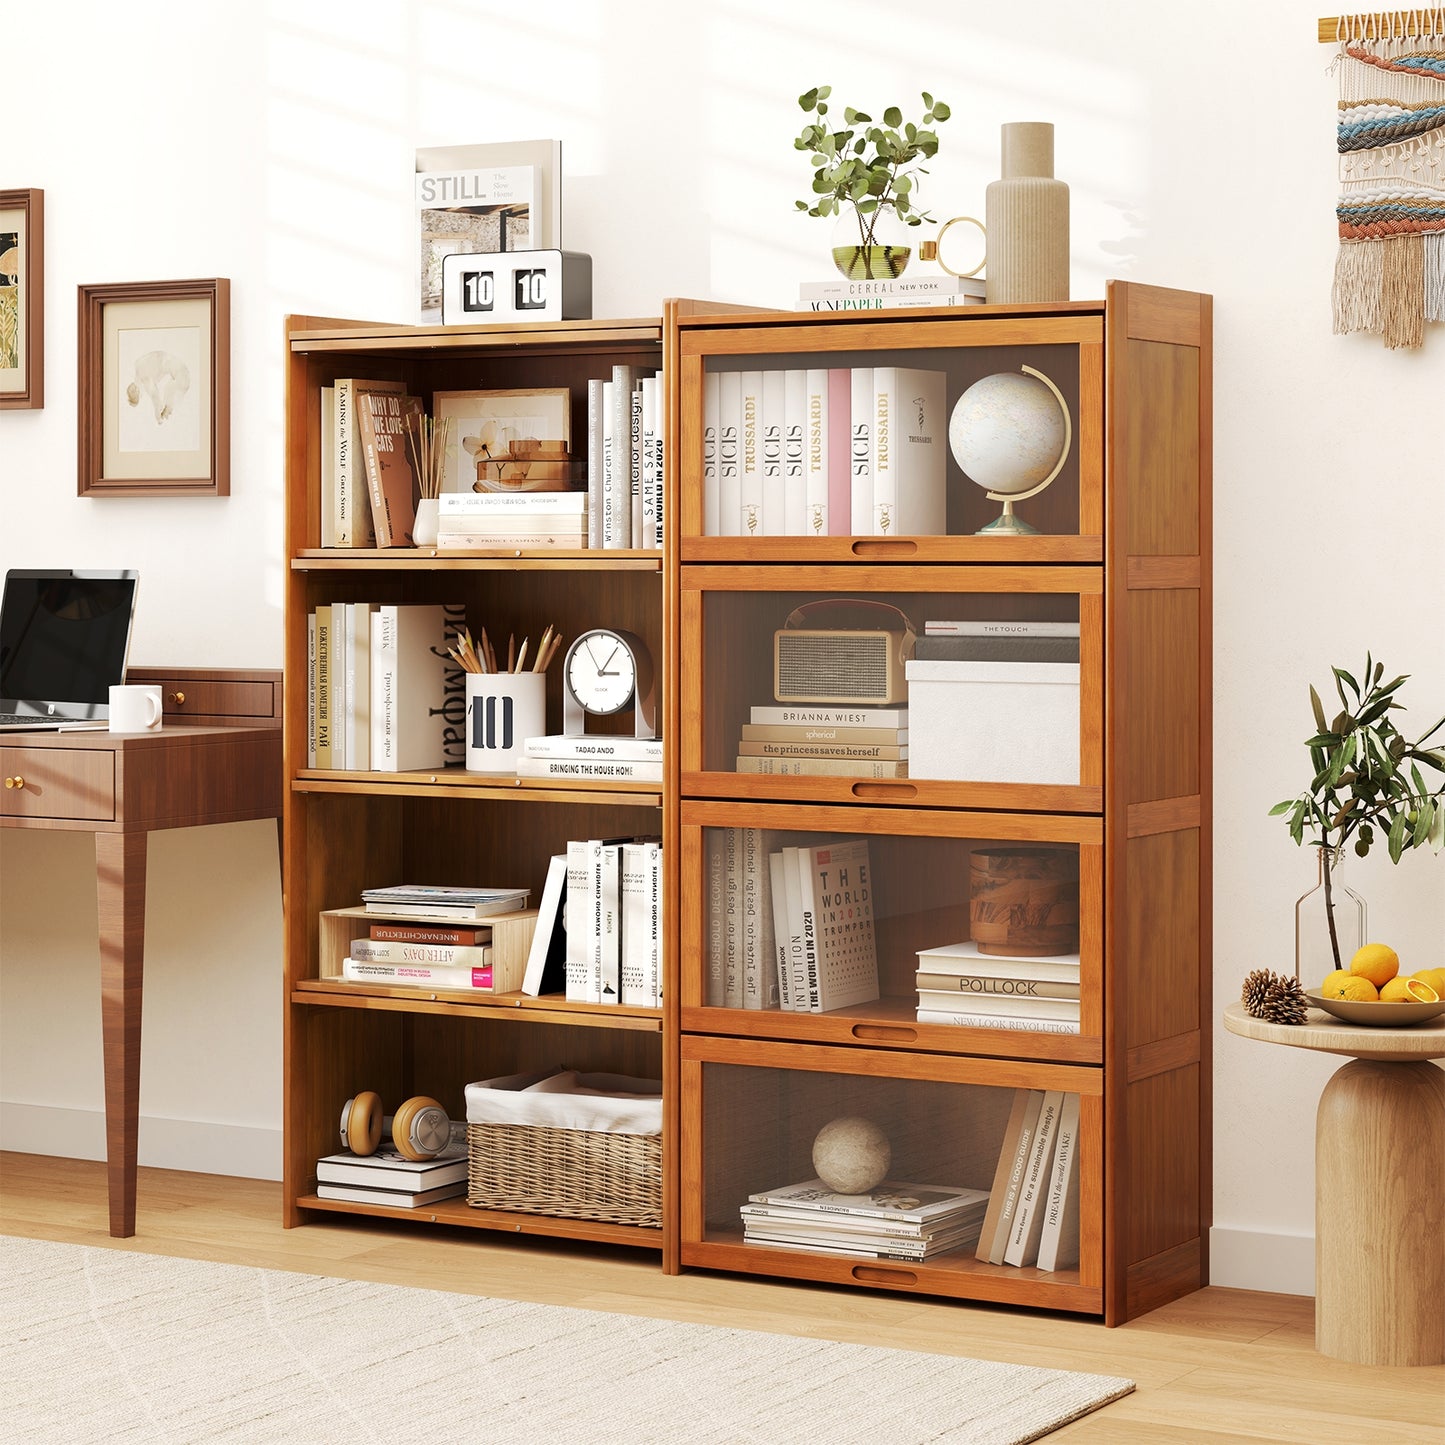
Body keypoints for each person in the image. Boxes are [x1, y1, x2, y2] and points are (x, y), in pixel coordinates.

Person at [125, 349, 190, 424]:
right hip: (179, 370)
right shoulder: (139, 367)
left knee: (169, 394)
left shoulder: (143, 377)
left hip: (180, 373)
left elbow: (155, 396)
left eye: (138, 397)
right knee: (170, 392)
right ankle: (165, 412)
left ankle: (165, 413)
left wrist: (158, 415)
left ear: (136, 391)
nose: (141, 396)